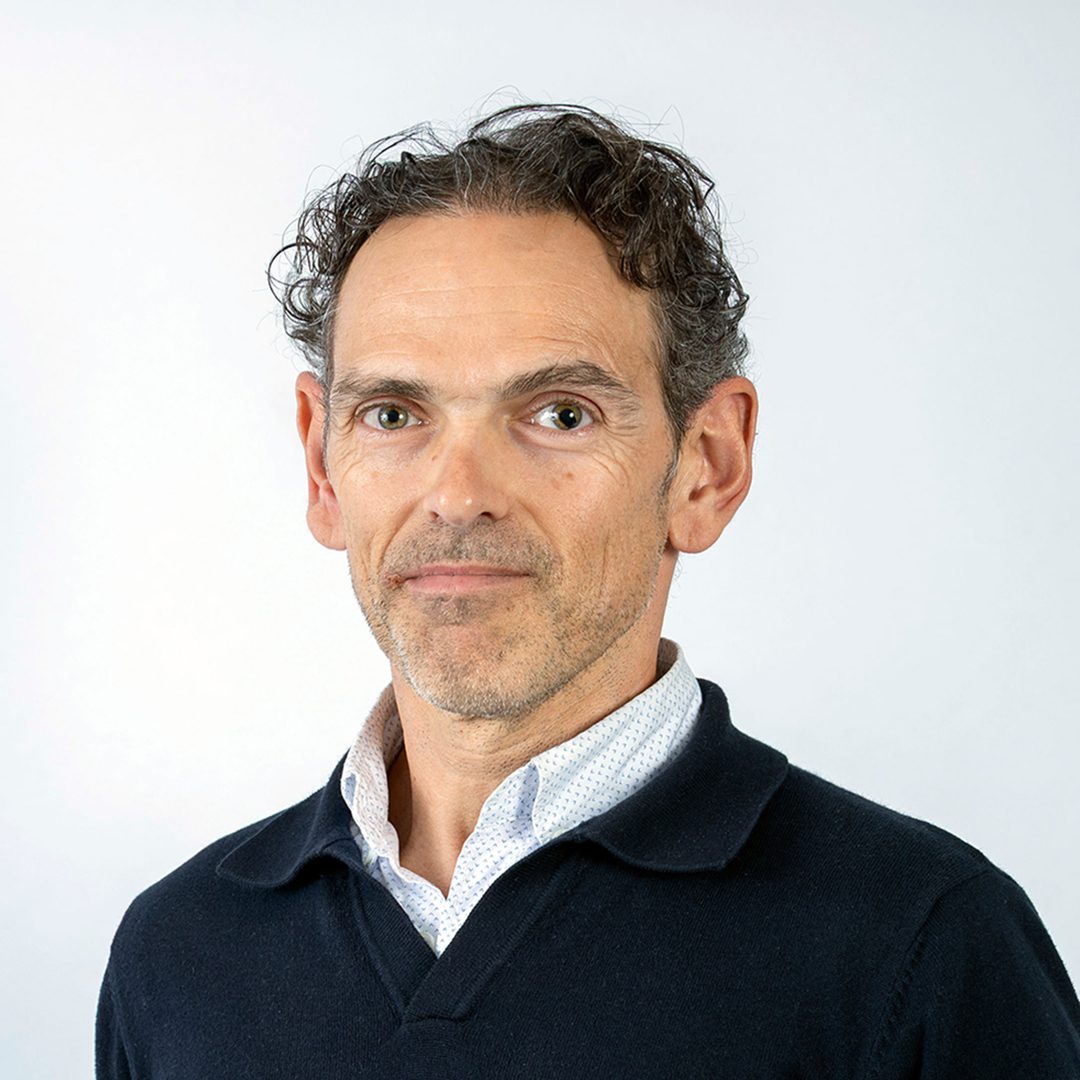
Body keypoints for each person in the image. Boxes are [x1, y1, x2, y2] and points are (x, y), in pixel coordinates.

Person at [96, 104, 1080, 1079]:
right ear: (322, 466)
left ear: (706, 468)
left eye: (560, 413)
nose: (458, 495)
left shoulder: (922, 948)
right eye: (393, 413)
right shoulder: (178, 954)